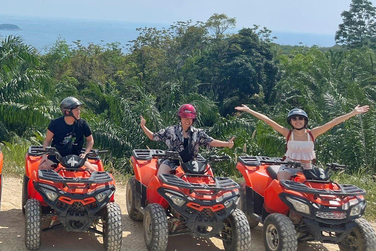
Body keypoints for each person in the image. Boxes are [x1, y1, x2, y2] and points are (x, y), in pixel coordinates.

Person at [235, 103, 370, 179]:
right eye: (294, 119)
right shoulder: (287, 133)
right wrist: (249, 110)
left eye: (300, 118)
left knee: (322, 186)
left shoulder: (313, 134)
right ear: (291, 121)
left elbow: (333, 122)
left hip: (307, 168)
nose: (298, 121)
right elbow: (268, 120)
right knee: (282, 185)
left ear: (305, 120)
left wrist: (353, 113)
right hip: (288, 167)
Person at [140, 104, 235, 178]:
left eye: (190, 118)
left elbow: (210, 141)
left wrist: (226, 144)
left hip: (192, 164)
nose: (187, 120)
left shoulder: (198, 133)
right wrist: (143, 126)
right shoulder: (171, 130)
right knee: (161, 178)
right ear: (180, 118)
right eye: (185, 117)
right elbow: (153, 137)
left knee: (208, 178)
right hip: (172, 162)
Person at [40, 97, 98, 172]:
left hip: (77, 156)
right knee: (42, 168)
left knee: (94, 172)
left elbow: (90, 140)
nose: (79, 112)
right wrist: (45, 155)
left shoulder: (82, 124)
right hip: (57, 156)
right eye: (77, 110)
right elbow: (47, 141)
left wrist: (85, 153)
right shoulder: (55, 124)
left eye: (79, 109)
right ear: (67, 112)